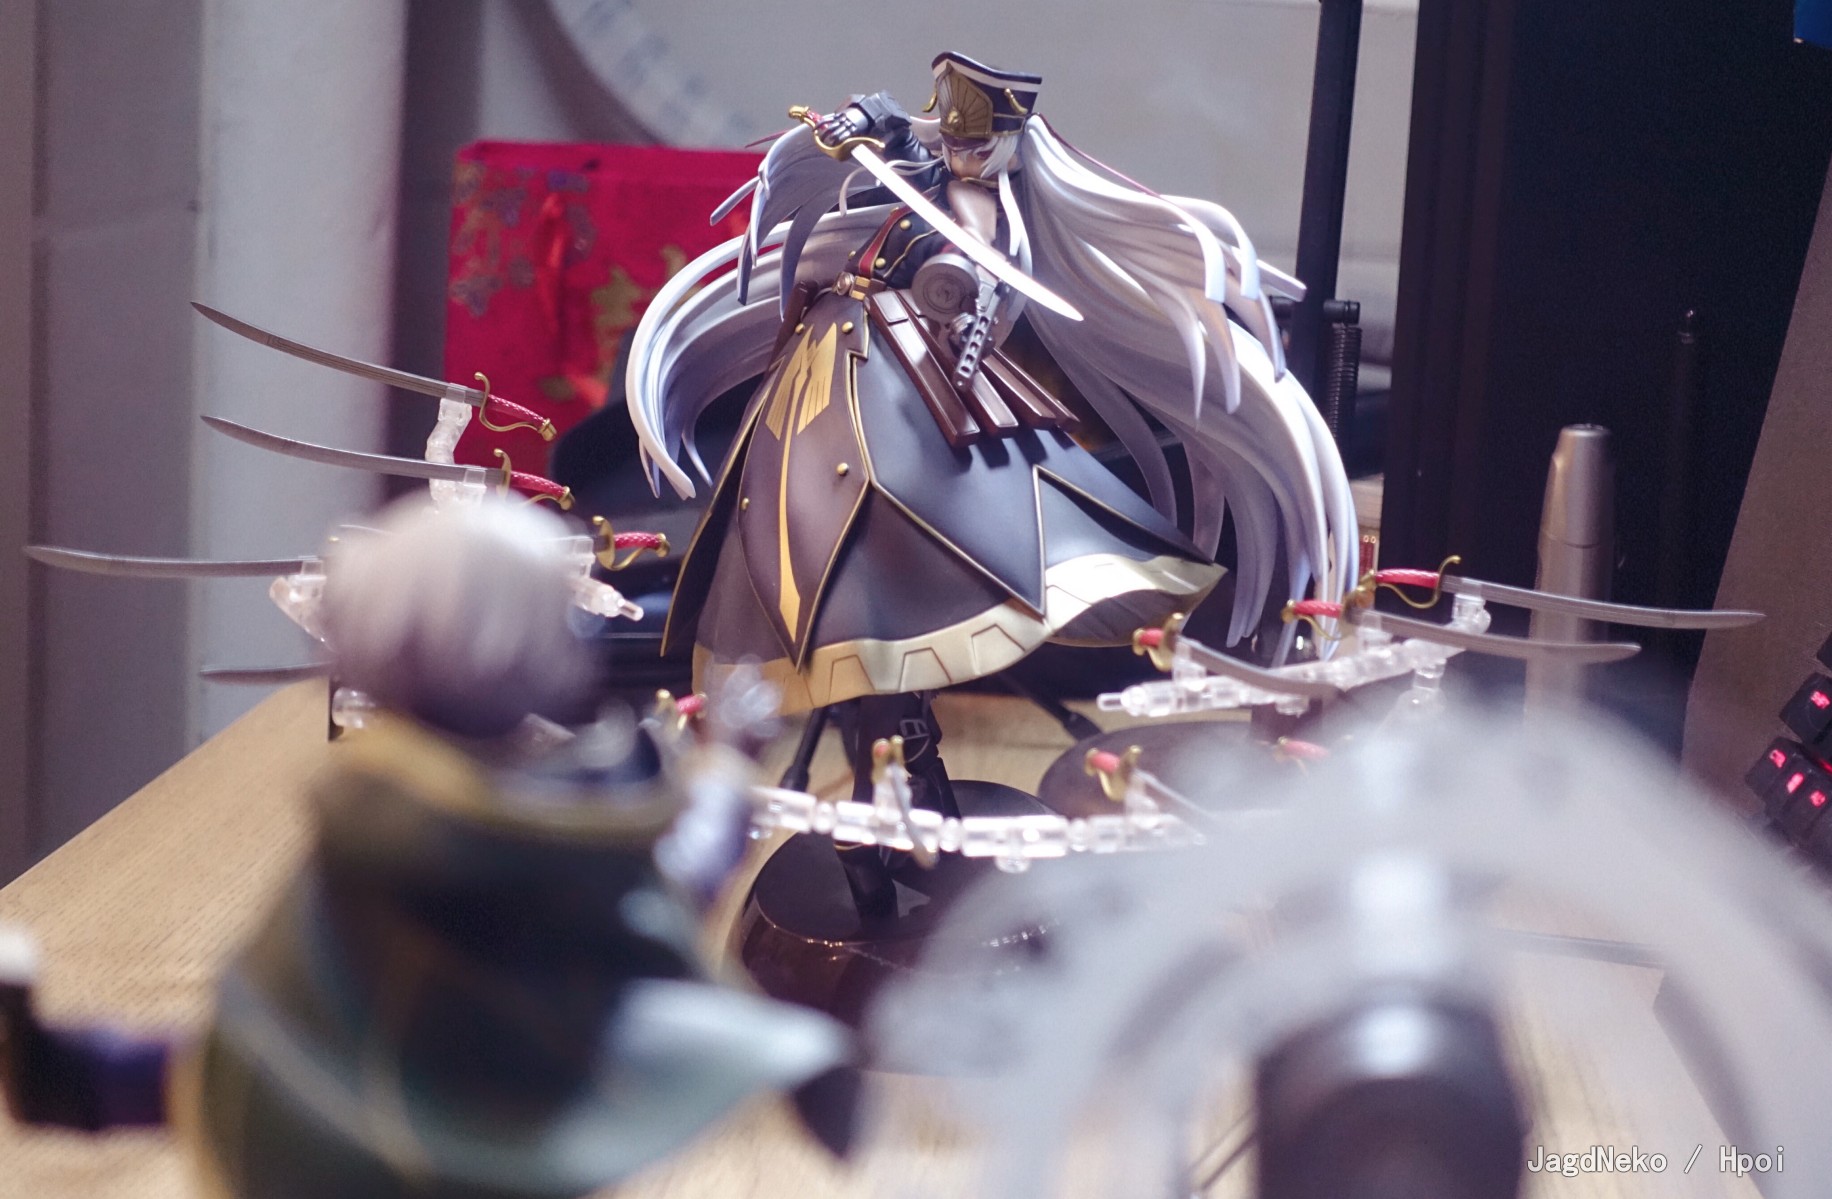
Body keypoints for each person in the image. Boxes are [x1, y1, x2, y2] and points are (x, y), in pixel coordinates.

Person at [628, 52, 1355, 908]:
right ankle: (895, 782)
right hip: (834, 372)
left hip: (908, 390)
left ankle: (893, 791)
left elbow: (974, 279)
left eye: (981, 145)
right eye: (958, 140)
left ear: (1013, 142)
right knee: (814, 565)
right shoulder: (925, 163)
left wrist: (961, 298)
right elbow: (887, 126)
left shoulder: (982, 206)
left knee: (912, 562)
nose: (964, 156)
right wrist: (858, 125)